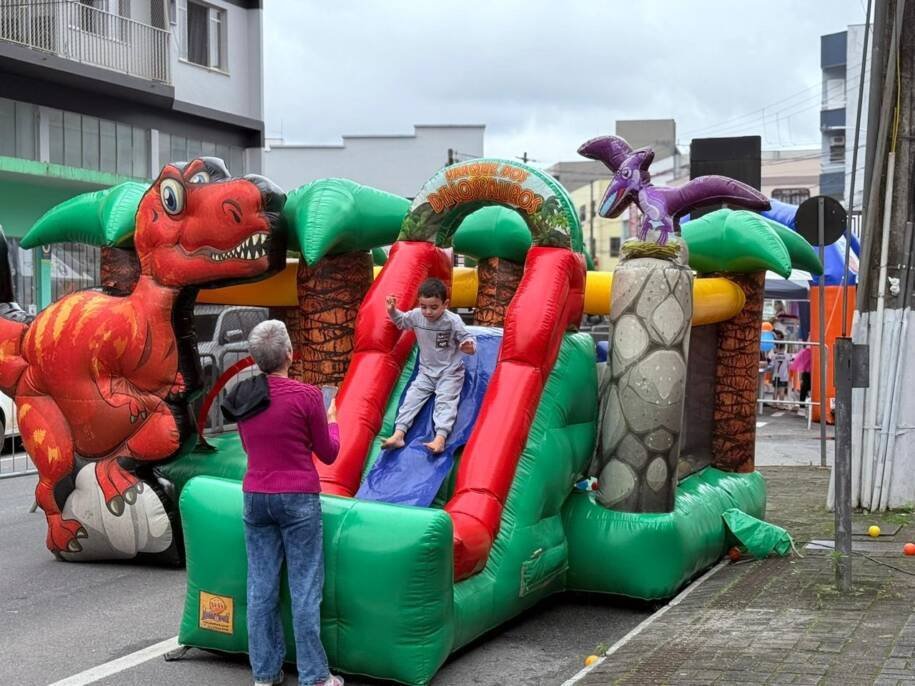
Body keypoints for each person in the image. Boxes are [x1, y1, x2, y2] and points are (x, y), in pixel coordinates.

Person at [222, 320, 344, 686]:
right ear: (290, 353)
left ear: (255, 358)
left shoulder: (242, 396)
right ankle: (315, 676)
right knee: (305, 587)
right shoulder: (307, 396)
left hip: (256, 495)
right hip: (298, 497)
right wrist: (333, 420)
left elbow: (250, 447)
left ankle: (264, 673)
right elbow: (329, 452)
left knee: (261, 587)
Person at [381, 277, 476, 454]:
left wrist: (468, 345)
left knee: (446, 401)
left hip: (450, 371)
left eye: (434, 307)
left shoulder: (452, 321)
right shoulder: (417, 316)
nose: (428, 312)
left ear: (445, 304)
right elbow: (402, 321)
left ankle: (440, 438)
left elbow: (467, 339)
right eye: (423, 306)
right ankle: (399, 434)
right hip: (426, 371)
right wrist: (392, 310)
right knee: (411, 399)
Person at [768, 332, 792, 406]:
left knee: (775, 390)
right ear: (784, 347)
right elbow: (789, 366)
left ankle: (774, 403)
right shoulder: (787, 356)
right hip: (784, 376)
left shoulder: (774, 356)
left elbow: (771, 365)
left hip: (775, 375)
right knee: (782, 390)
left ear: (777, 347)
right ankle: (781, 404)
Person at [790, 344, 812, 416]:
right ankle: (806, 407)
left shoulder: (804, 352)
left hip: (806, 373)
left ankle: (802, 407)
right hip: (812, 372)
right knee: (809, 389)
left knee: (804, 389)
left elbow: (801, 364)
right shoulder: (811, 351)